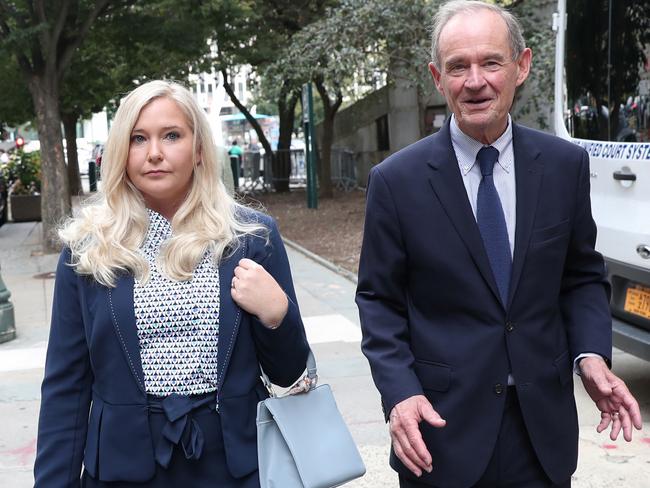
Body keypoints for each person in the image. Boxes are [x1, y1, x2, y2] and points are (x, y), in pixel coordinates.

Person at [355, 2, 642, 487]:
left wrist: (591, 355)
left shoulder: (564, 166)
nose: (475, 81)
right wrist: (400, 393)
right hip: (440, 434)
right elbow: (378, 301)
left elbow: (581, 277)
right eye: (457, 67)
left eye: (490, 62)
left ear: (521, 65)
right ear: (436, 77)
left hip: (541, 434)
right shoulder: (396, 182)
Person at [33, 80, 310, 487]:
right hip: (122, 469)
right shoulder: (87, 251)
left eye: (172, 136)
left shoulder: (250, 238)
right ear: (121, 153)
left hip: (236, 466)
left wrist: (277, 315)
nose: (155, 153)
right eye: (138, 138)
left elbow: (290, 374)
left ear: (199, 149)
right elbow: (66, 387)